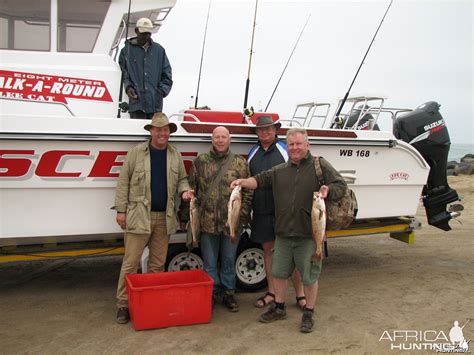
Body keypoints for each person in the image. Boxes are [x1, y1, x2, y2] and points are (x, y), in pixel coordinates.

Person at [231, 128, 347, 333]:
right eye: (291, 144)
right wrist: (242, 182)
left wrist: (329, 190)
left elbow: (341, 185)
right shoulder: (280, 170)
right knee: (279, 273)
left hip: (309, 235)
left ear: (307, 144)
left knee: (310, 277)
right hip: (283, 234)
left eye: (298, 144)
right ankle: (279, 308)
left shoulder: (320, 165)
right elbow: (258, 180)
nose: (294, 148)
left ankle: (309, 313)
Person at [113, 112, 193, 324]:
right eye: (158, 129)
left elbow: (183, 180)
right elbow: (123, 182)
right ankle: (123, 304)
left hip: (164, 218)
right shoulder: (136, 153)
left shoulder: (175, 155)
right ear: (151, 131)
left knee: (157, 265)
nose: (162, 133)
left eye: (165, 130)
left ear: (169, 132)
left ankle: (149, 300)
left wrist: (185, 191)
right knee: (130, 264)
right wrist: (121, 210)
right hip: (138, 216)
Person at [187, 126, 252, 312]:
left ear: (229, 140)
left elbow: (247, 193)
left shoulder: (240, 163)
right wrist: (187, 216)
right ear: (212, 139)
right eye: (217, 137)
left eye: (224, 137)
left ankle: (229, 293)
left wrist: (243, 217)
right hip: (207, 222)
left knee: (229, 260)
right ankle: (212, 293)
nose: (221, 140)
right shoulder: (200, 161)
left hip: (232, 223)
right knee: (209, 262)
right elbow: (192, 190)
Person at [247, 116, 306, 310]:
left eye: (269, 129)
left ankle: (300, 294)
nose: (265, 132)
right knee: (269, 252)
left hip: (285, 212)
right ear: (257, 133)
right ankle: (272, 292)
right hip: (262, 211)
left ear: (275, 130)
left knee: (292, 254)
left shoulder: (284, 149)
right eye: (261, 129)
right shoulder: (252, 153)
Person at [119, 17, 173, 119]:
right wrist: (128, 87)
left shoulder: (159, 51)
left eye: (148, 33)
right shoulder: (125, 51)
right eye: (143, 33)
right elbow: (123, 74)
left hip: (155, 107)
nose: (146, 36)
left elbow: (167, 76)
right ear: (136, 31)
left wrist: (161, 92)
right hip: (136, 105)